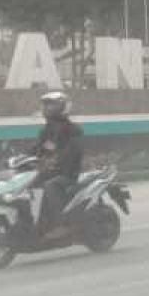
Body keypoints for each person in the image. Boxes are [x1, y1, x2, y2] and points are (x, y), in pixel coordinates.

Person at [32, 91, 84, 238]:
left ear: (62, 107)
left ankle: (61, 225)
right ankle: (36, 222)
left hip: (67, 174)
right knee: (27, 184)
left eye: (52, 105)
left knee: (50, 186)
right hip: (49, 171)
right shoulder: (46, 130)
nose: (47, 108)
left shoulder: (72, 130)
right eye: (46, 105)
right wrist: (18, 158)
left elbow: (73, 152)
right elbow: (36, 149)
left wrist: (56, 161)